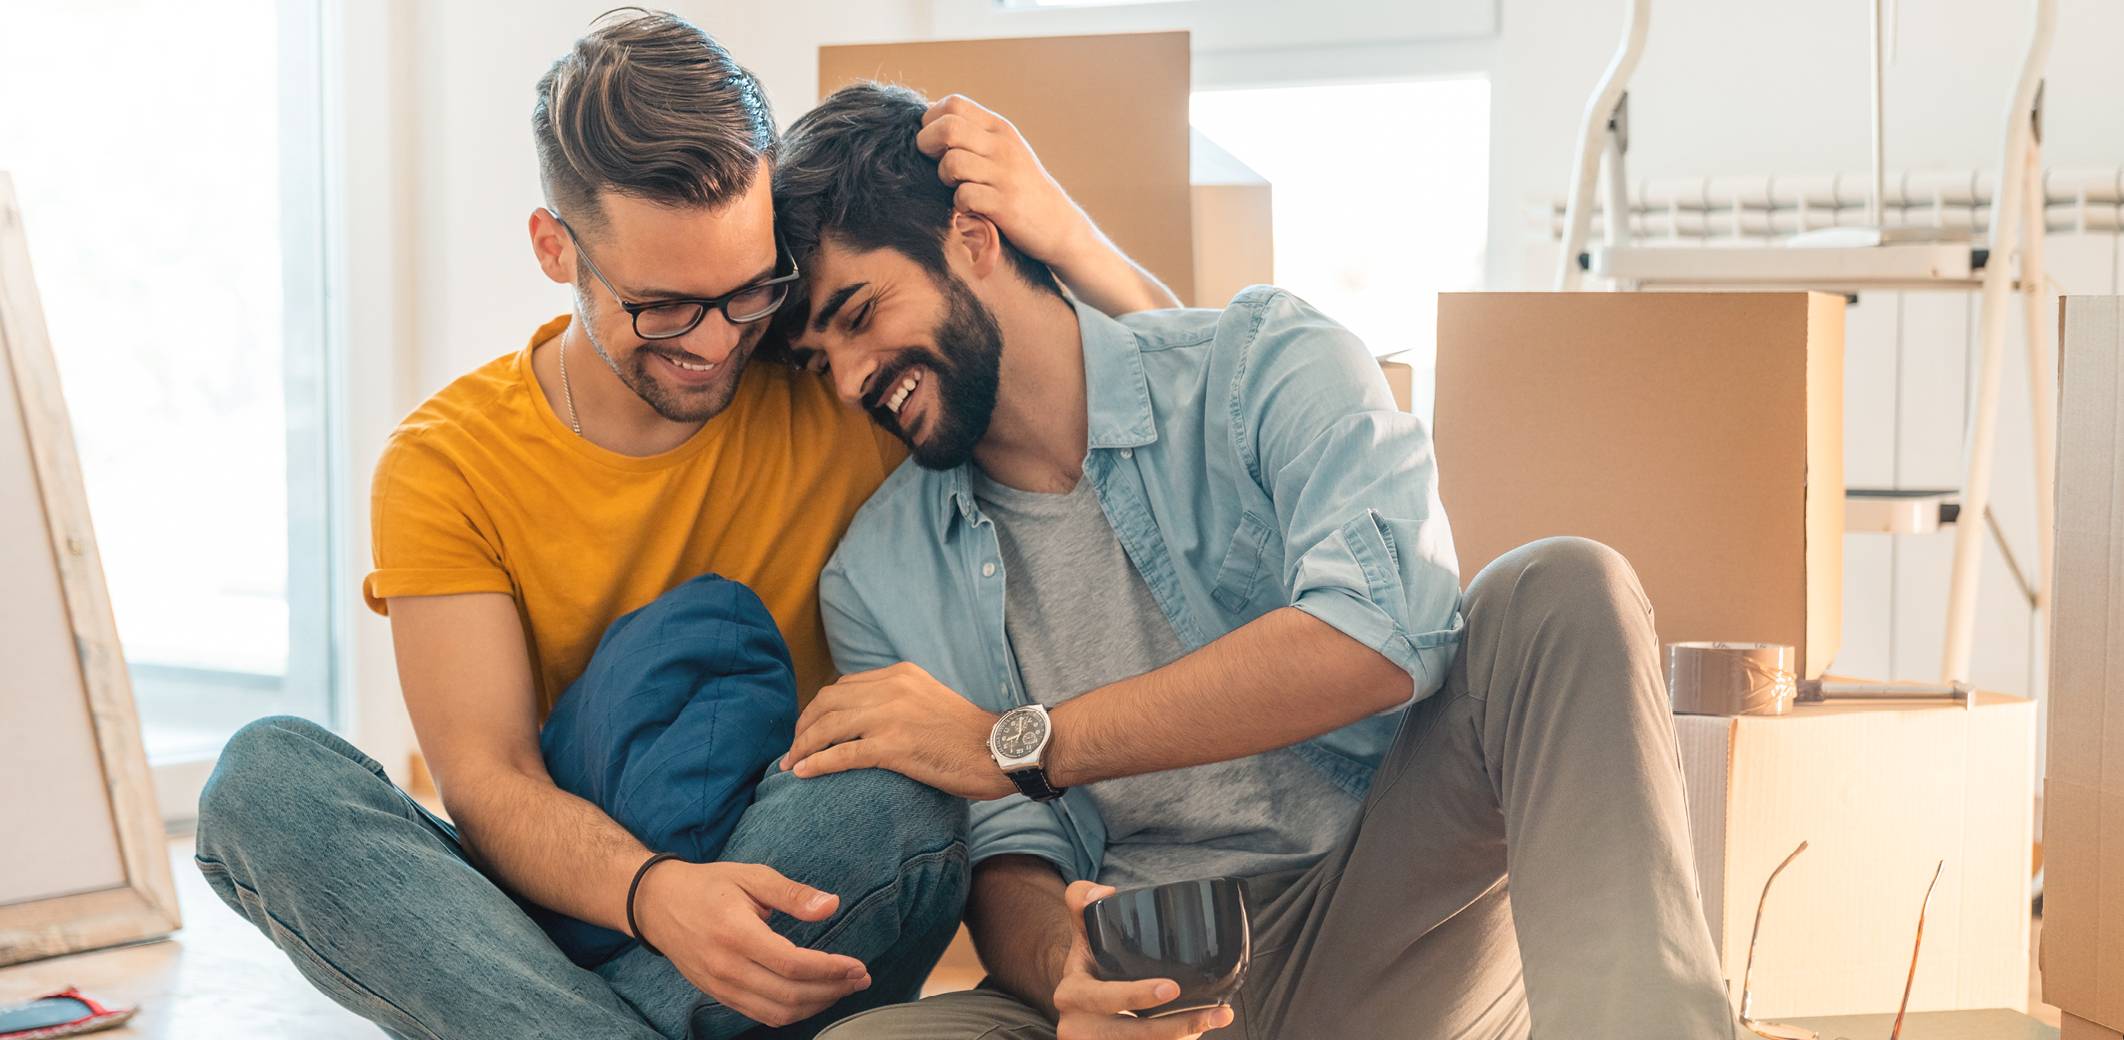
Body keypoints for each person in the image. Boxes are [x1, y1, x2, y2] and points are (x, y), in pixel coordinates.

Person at [189, 12, 1179, 1040]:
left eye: (749, 289)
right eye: (664, 307)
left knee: (897, 797)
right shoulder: (446, 462)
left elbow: (1159, 425)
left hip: (792, 879)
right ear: (552, 248)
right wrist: (651, 890)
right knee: (266, 782)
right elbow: (488, 780)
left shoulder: (838, 377)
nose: (716, 342)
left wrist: (1069, 234)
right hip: (569, 913)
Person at [767, 82, 1739, 1039]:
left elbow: (1382, 635)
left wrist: (1015, 740)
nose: (852, 379)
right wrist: (1080, 981)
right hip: (1142, 967)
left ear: (973, 239)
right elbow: (1007, 856)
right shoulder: (878, 573)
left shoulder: (1265, 363)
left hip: (1384, 926)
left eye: (859, 315)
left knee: (1563, 586)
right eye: (822, 360)